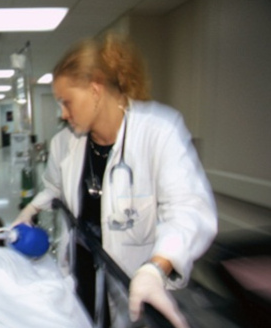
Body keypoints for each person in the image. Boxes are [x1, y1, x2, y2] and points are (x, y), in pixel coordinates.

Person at [13, 33, 217, 328]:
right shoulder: (63, 144)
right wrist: (31, 209)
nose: (63, 113)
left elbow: (189, 209)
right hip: (82, 274)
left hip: (136, 284)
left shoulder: (159, 131)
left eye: (66, 102)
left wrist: (156, 269)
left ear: (95, 89)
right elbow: (54, 188)